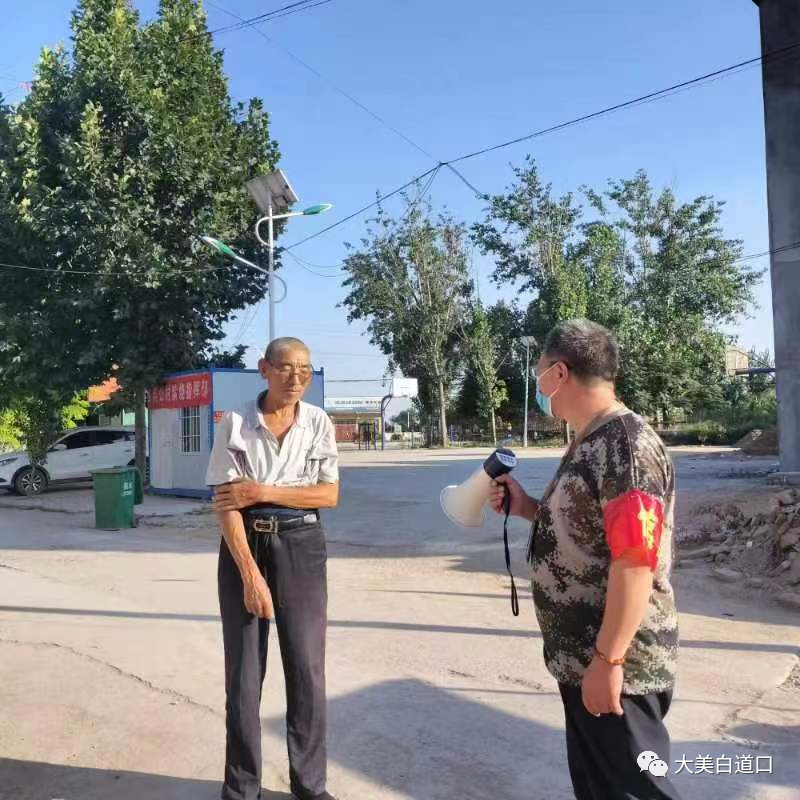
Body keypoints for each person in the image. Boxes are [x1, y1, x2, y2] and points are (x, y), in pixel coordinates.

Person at [489, 319, 681, 800]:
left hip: (620, 670)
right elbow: (589, 531)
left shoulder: (625, 448)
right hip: (582, 661)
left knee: (636, 790)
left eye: (539, 374)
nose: (538, 388)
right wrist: (527, 507)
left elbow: (635, 561)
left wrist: (608, 661)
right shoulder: (591, 440)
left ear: (559, 373)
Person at [206, 337, 339, 800]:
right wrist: (249, 573)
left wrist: (261, 490)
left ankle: (310, 785)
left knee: (307, 670)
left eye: (305, 369)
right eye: (286, 368)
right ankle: (242, 788)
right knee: (244, 675)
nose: (296, 378)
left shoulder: (318, 422)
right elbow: (227, 503)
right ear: (264, 368)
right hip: (245, 543)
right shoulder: (235, 423)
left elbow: (328, 495)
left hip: (302, 545)